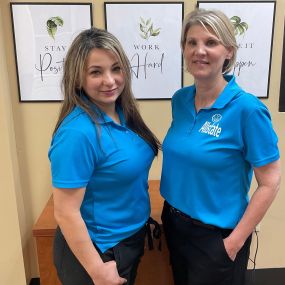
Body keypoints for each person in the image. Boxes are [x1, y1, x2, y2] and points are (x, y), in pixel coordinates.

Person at [160, 8, 281, 285]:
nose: (199, 50)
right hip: (175, 223)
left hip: (217, 236)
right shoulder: (180, 100)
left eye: (210, 42)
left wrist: (234, 243)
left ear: (228, 51)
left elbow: (271, 181)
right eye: (192, 42)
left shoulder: (248, 110)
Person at [48, 27, 160, 285]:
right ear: (77, 79)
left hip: (127, 240)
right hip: (98, 251)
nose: (110, 80)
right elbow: (65, 211)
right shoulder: (78, 133)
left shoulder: (123, 112)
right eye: (96, 72)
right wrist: (97, 270)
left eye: (116, 68)